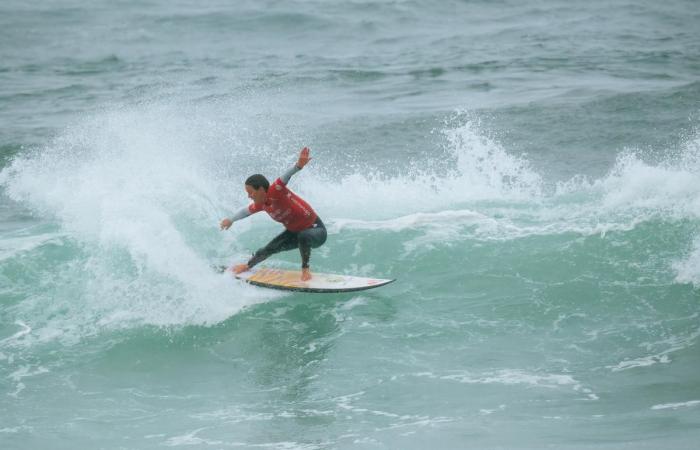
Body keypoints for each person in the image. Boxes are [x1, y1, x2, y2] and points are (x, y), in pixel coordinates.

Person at [219, 147, 327, 281]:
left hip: (316, 230)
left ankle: (305, 269)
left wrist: (298, 166)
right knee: (266, 249)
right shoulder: (261, 204)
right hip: (295, 233)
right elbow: (245, 212)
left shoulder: (276, 190)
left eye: (251, 192)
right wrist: (230, 220)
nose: (249, 196)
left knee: (304, 236)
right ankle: (247, 266)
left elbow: (286, 176)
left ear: (262, 190)